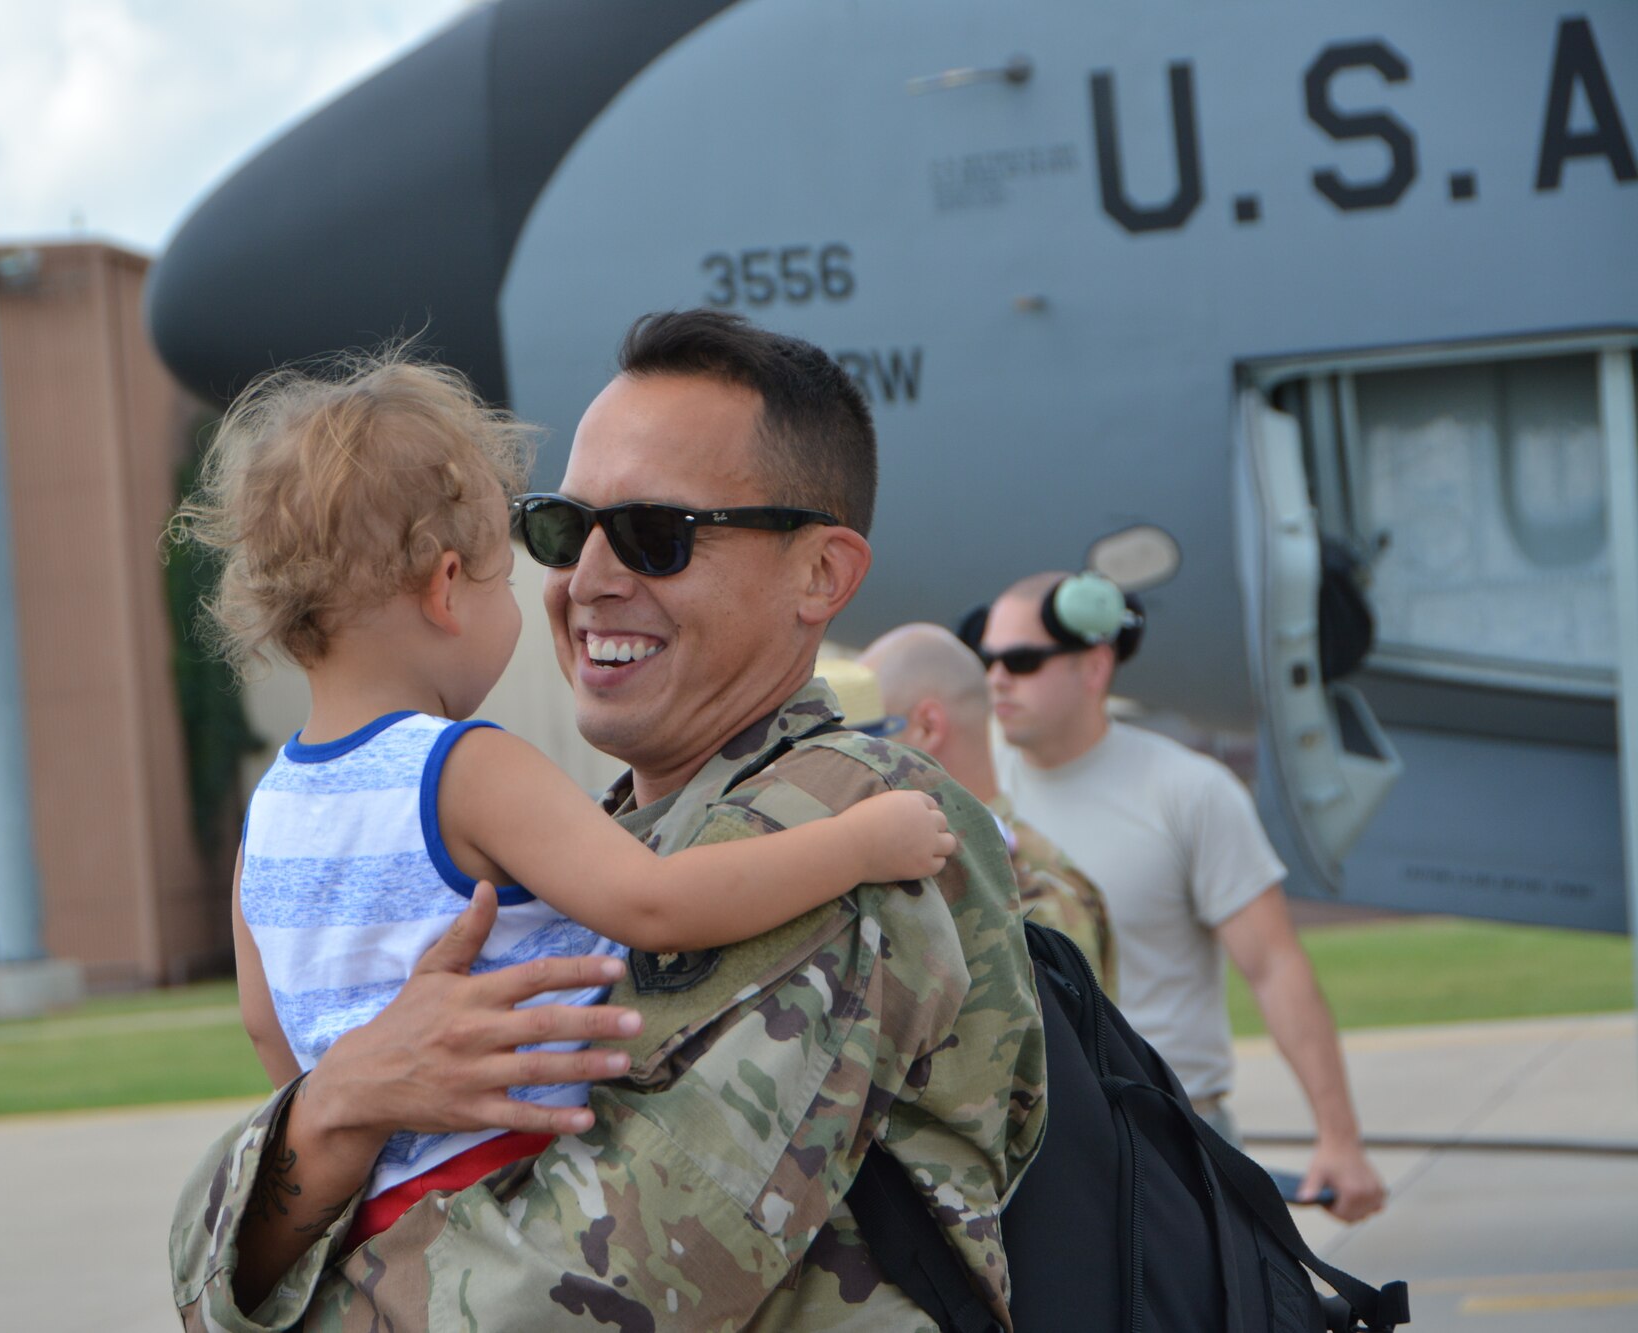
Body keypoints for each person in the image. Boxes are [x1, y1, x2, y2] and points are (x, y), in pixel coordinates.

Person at [169, 311, 1046, 1330]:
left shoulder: (841, 828)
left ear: (821, 575)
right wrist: (340, 1103)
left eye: (652, 534)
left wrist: (315, 1142)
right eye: (555, 528)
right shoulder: (567, 835)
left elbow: (583, 1293)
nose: (583, 578)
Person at [968, 570, 1386, 1223]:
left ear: (1095, 667)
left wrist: (1340, 1138)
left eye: (1021, 660)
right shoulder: (968, 789)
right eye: (987, 658)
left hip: (1174, 1147)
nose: (996, 677)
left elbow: (1274, 967)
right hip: (1028, 1157)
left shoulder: (1189, 790)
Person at [844, 627, 1118, 995]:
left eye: (864, 736)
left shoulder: (1034, 892)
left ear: (928, 727)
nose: (850, 758)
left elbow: (1056, 1048)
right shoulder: (917, 858)